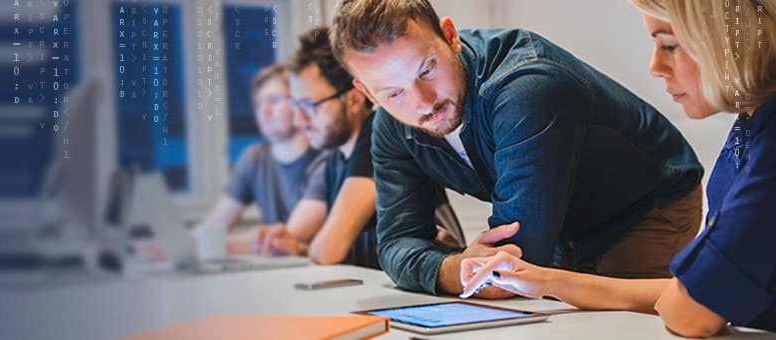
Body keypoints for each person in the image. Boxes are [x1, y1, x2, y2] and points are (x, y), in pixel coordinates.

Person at [329, 0, 704, 298]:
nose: (422, 102)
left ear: (450, 37)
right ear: (366, 94)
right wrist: (455, 269)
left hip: (645, 207)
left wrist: (460, 270)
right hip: (560, 224)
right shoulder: (390, 125)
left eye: (426, 70)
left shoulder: (527, 87)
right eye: (392, 92)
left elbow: (511, 266)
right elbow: (396, 243)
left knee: (617, 327)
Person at [459, 0, 776, 336]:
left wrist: (686, 296)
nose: (655, 66)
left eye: (670, 45)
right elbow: (692, 290)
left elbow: (692, 313)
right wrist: (540, 279)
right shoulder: (751, 124)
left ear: (730, 38)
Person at [260, 27, 465, 269]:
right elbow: (313, 244)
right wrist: (298, 247)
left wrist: (308, 249)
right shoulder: (337, 158)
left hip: (438, 287)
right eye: (297, 107)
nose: (300, 120)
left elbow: (329, 251)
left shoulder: (376, 139)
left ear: (355, 99)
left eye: (310, 106)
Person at [194, 64, 327, 254]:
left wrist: (201, 244)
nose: (264, 111)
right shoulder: (254, 158)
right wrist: (175, 244)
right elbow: (215, 224)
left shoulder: (326, 159)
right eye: (258, 103)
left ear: (299, 101)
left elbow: (284, 240)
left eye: (273, 100)